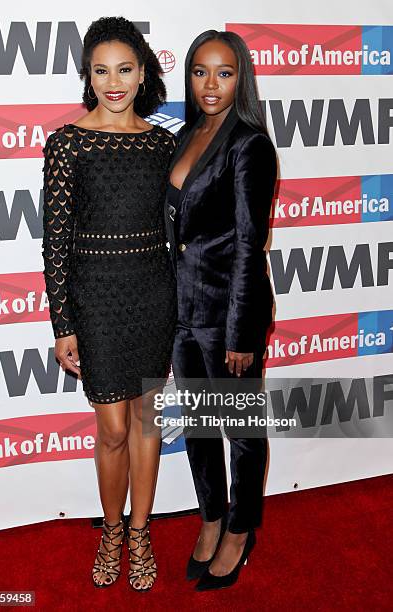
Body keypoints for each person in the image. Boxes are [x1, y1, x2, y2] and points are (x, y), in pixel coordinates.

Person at [41, 16, 176, 592]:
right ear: (88, 76)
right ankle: (112, 530)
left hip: (153, 292)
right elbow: (56, 240)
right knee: (114, 428)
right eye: (101, 70)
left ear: (142, 72)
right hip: (95, 298)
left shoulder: (164, 144)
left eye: (124, 69)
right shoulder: (68, 144)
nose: (113, 82)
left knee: (145, 421)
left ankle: (140, 532)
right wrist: (63, 321)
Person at [165, 30, 277, 591]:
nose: (211, 84)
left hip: (226, 314)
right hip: (181, 314)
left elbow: (249, 245)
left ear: (242, 78)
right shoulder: (187, 133)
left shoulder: (249, 144)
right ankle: (210, 515)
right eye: (201, 72)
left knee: (241, 431)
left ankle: (240, 528)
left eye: (225, 73)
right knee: (201, 427)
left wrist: (241, 332)